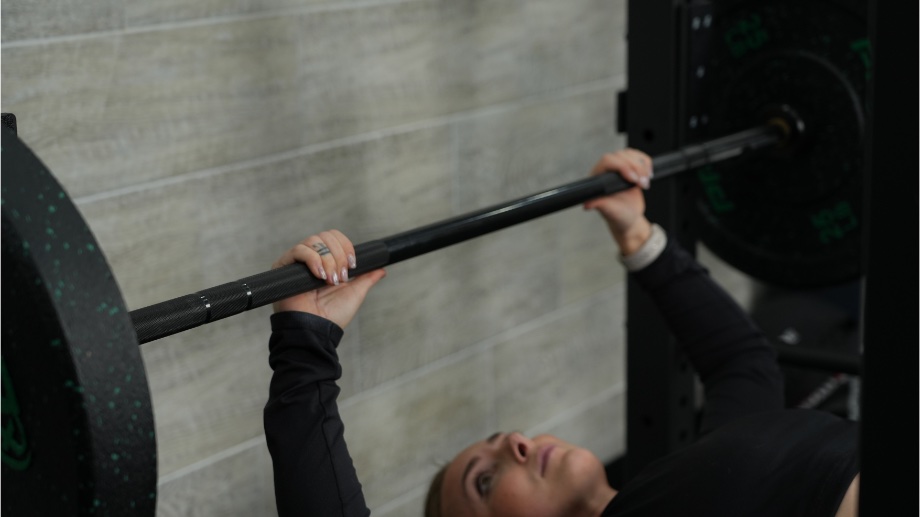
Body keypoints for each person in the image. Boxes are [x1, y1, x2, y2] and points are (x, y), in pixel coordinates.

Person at [262, 149, 861, 517]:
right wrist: (304, 341)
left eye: (505, 439)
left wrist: (637, 236)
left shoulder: (688, 478)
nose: (518, 444)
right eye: (486, 482)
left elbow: (743, 365)